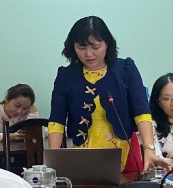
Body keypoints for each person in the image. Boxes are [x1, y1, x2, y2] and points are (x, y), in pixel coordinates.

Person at [48, 16, 158, 173]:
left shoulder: (126, 69)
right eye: (81, 47)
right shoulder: (66, 75)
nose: (89, 54)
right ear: (72, 47)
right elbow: (56, 120)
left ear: (107, 44)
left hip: (125, 152)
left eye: (95, 47)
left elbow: (141, 112)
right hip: (83, 153)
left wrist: (149, 148)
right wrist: (54, 161)